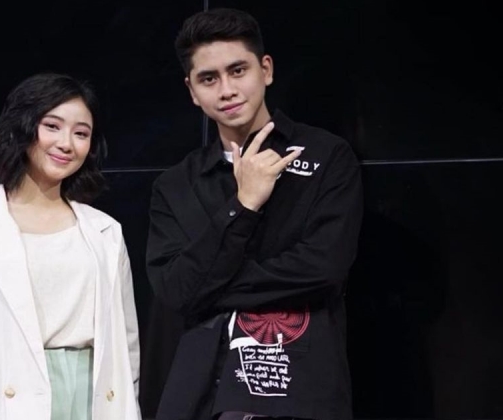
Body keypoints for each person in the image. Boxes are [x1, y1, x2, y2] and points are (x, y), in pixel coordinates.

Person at [146, 9, 363, 420]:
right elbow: (174, 291)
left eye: (238, 70)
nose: (227, 90)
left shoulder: (327, 156)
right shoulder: (175, 186)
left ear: (266, 69)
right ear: (192, 90)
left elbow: (324, 268)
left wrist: (209, 287)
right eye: (209, 78)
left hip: (300, 393)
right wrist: (242, 205)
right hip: (198, 396)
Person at [0, 73, 141, 420]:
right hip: (11, 399)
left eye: (81, 133)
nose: (66, 143)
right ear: (23, 127)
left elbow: (126, 345)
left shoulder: (105, 232)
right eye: (52, 126)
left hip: (94, 397)